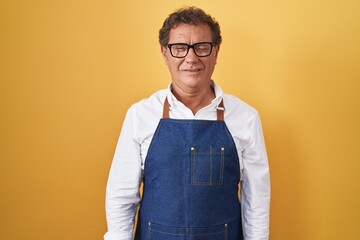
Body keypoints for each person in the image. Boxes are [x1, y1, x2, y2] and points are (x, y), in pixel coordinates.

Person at [104, 6, 270, 240]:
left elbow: (257, 200)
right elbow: (121, 197)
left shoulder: (245, 117)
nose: (191, 58)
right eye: (179, 48)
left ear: (216, 52)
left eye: (202, 47)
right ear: (165, 53)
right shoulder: (140, 115)